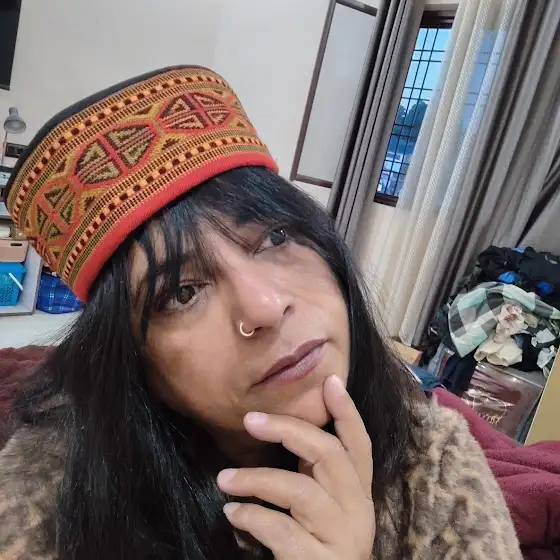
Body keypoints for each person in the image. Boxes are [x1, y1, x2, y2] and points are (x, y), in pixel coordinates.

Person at [0, 66, 521, 560]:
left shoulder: (436, 466)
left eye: (276, 237)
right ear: (135, 362)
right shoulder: (55, 485)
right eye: (182, 293)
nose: (267, 307)